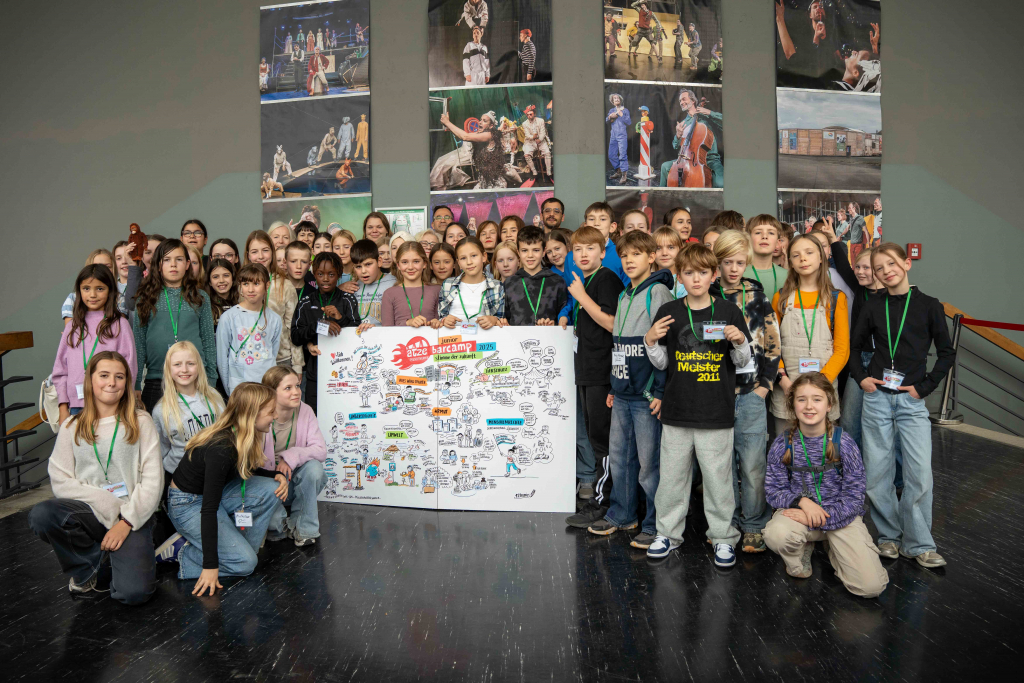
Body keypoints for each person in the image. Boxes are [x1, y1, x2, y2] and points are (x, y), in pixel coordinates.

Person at [642, 243, 752, 566]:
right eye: (688, 273)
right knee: (672, 479)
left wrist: (740, 341)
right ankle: (667, 533)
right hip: (676, 411)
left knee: (718, 480)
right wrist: (650, 341)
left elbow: (743, 361)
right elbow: (663, 363)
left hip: (715, 412)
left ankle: (722, 537)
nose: (696, 279)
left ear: (714, 274)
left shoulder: (729, 311)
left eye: (703, 272)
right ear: (679, 276)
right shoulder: (670, 311)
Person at [851, 243, 955, 568]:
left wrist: (923, 388)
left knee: (919, 473)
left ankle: (919, 544)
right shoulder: (872, 306)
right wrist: (862, 378)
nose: (885, 272)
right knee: (878, 474)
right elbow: (853, 349)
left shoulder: (930, 306)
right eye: (879, 268)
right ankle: (888, 539)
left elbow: (947, 353)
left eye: (891, 264)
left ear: (907, 263)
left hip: (911, 402)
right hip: (878, 399)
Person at [29, 351, 162, 603]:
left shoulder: (140, 421)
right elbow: (60, 480)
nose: (112, 382)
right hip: (90, 513)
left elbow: (153, 481)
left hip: (132, 516)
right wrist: (109, 504)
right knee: (43, 514)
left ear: (126, 383)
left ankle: (124, 554)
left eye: (119, 376)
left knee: (133, 594)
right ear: (90, 380)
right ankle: (86, 569)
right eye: (104, 375)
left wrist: (125, 521)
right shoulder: (71, 427)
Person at [763, 373, 889, 597]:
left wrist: (824, 516)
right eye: (801, 399)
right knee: (777, 534)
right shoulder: (782, 444)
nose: (809, 406)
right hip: (799, 515)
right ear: (792, 404)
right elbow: (773, 490)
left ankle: (835, 548)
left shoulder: (845, 444)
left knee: (870, 588)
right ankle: (801, 552)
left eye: (817, 399)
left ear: (829, 404)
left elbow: (855, 497)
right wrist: (802, 503)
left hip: (841, 517)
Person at [587, 231, 673, 549]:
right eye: (624, 255)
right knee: (621, 458)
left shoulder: (659, 293)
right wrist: (613, 384)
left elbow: (666, 348)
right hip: (622, 392)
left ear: (651, 257)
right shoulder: (624, 295)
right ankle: (623, 515)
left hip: (647, 396)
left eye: (637, 254)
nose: (629, 260)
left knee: (650, 465)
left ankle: (654, 525)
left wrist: (661, 393)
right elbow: (620, 346)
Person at [166, 383, 289, 595]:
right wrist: (211, 565)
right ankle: (183, 554)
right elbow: (208, 509)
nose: (276, 416)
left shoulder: (240, 434)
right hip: (188, 504)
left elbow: (243, 470)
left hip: (215, 493)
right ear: (252, 414)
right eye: (271, 411)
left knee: (272, 489)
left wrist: (275, 474)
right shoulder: (221, 449)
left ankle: (235, 550)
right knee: (245, 565)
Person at [712, 231, 782, 553]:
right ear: (718, 262)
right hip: (717, 392)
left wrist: (765, 386)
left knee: (753, 463)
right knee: (721, 465)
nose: (734, 268)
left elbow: (772, 342)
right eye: (727, 262)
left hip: (752, 391)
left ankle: (753, 522)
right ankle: (727, 523)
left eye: (740, 262)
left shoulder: (756, 295)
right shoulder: (707, 294)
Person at [564, 226, 625, 528]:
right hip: (587, 372)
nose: (584, 254)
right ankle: (606, 499)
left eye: (590, 248)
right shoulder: (586, 281)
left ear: (603, 252)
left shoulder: (606, 279)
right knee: (594, 436)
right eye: (578, 249)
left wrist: (581, 297)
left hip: (603, 374)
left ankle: (603, 502)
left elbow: (613, 323)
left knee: (603, 441)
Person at [770, 235, 849, 436]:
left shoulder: (836, 298)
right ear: (790, 262)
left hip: (824, 386)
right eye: (796, 255)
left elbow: (842, 350)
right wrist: (784, 380)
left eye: (809, 253)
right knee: (786, 448)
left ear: (822, 257)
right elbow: (771, 345)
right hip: (787, 387)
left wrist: (821, 383)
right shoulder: (781, 298)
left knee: (824, 450)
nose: (803, 258)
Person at [133, 240, 217, 413]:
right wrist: (135, 384)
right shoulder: (145, 299)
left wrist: (210, 380)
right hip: (157, 381)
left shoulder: (200, 297)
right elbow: (139, 344)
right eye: (166, 259)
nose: (173, 264)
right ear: (157, 265)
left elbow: (208, 341)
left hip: (194, 380)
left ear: (187, 264)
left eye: (179, 259)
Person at [53, 265, 137, 425]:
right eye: (86, 288)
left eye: (99, 288)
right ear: (79, 291)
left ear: (110, 290)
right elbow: (60, 371)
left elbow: (130, 368)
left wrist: (126, 405)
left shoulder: (120, 324)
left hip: (112, 406)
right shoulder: (72, 326)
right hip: (76, 407)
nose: (92, 294)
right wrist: (63, 408)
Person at [261, 367, 327, 546]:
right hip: (269, 483)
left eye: (297, 386)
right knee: (275, 530)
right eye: (288, 388)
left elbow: (321, 450)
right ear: (271, 392)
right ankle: (288, 522)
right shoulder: (259, 414)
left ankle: (306, 529)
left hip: (292, 481)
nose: (296, 392)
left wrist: (290, 456)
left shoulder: (305, 411)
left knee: (314, 468)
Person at [292, 252, 360, 414]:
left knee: (343, 414)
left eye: (331, 274)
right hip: (315, 373)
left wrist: (340, 318)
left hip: (345, 372)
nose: (325, 279)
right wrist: (317, 326)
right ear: (314, 273)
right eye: (320, 274)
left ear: (339, 274)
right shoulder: (306, 302)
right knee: (314, 416)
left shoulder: (347, 299)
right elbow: (295, 336)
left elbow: (359, 334)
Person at [216, 264, 282, 395]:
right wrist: (229, 390)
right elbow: (222, 357)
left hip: (267, 386)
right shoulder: (229, 318)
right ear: (240, 286)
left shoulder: (274, 319)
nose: (250, 289)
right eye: (246, 284)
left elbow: (273, 352)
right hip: (240, 387)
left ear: (267, 286)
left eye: (256, 284)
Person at [245, 230, 302, 376]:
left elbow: (293, 327)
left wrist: (297, 364)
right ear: (248, 255)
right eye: (254, 252)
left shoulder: (285, 285)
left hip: (281, 359)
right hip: (251, 358)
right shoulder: (241, 286)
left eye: (265, 250)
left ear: (273, 252)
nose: (260, 256)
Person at [434, 237, 505, 331]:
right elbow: (441, 316)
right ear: (458, 262)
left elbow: (501, 320)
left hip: (484, 341)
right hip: (453, 340)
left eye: (474, 256)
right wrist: (444, 320)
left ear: (484, 256)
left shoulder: (497, 286)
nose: (469, 262)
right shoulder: (448, 284)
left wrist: (494, 319)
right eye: (463, 258)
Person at [503, 226, 568, 326]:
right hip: (516, 340)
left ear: (544, 251)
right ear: (518, 252)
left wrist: (553, 324)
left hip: (550, 339)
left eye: (536, 250)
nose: (530, 255)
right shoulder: (509, 283)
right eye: (525, 250)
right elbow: (505, 319)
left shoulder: (557, 282)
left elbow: (564, 318)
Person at [659, 88, 724, 188]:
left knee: (721, 184)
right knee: (665, 167)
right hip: (689, 160)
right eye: (680, 101)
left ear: (693, 100)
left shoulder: (706, 117)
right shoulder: (683, 123)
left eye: (684, 99)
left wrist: (710, 113)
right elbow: (675, 146)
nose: (681, 102)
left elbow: (726, 123)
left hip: (711, 160)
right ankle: (661, 198)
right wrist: (678, 135)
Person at [382, 241, 441, 327]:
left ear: (424, 264)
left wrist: (438, 323)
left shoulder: (437, 290)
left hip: (429, 339)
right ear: (398, 265)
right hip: (400, 340)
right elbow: (386, 330)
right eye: (404, 262)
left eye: (416, 261)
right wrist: (407, 323)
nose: (410, 267)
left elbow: (442, 323)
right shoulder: (389, 294)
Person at [349, 239, 397, 329]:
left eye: (368, 264)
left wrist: (376, 329)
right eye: (358, 267)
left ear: (379, 262)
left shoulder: (394, 284)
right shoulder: (353, 287)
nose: (363, 271)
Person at [744, 214, 788, 301]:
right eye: (758, 232)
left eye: (771, 233)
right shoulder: (739, 274)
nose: (764, 236)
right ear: (749, 239)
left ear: (777, 242)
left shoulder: (788, 276)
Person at [606, 93, 631, 184]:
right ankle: (618, 170)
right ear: (612, 102)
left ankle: (624, 175)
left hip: (622, 136)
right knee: (611, 155)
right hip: (613, 136)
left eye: (617, 98)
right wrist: (610, 117)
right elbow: (606, 120)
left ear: (620, 100)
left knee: (622, 155)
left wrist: (621, 114)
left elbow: (629, 122)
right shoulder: (611, 110)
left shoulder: (625, 110)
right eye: (614, 98)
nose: (616, 99)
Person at [522, 105, 551, 181]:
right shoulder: (524, 124)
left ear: (534, 114)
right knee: (526, 155)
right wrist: (533, 137)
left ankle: (549, 172)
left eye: (530, 114)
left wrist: (540, 139)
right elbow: (527, 135)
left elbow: (543, 132)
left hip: (541, 141)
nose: (529, 116)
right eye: (527, 115)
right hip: (530, 142)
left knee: (547, 153)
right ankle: (534, 172)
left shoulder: (540, 120)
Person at [652, 226, 684, 297]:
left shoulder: (686, 281)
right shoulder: (648, 281)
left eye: (671, 247)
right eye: (658, 248)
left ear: (680, 250)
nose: (664, 253)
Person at [206, 259, 237, 329]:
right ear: (210, 282)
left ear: (233, 278)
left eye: (226, 275)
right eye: (215, 277)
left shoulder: (241, 301)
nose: (221, 280)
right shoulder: (206, 305)